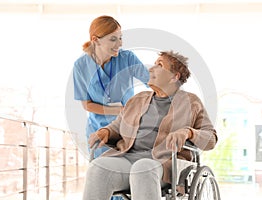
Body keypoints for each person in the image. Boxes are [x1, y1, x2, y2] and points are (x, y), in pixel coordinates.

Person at [83, 51, 218, 200]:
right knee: (98, 168)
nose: (151, 69)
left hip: (165, 163)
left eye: (159, 65)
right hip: (127, 158)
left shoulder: (191, 102)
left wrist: (189, 132)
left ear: (175, 77)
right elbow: (117, 126)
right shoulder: (137, 99)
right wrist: (105, 132)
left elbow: (210, 138)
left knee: (142, 168)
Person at [73, 15, 149, 158]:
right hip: (99, 130)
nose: (119, 44)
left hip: (128, 128)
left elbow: (152, 81)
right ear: (96, 40)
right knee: (103, 173)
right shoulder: (81, 66)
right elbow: (87, 105)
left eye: (120, 38)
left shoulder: (127, 58)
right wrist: (119, 110)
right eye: (113, 39)